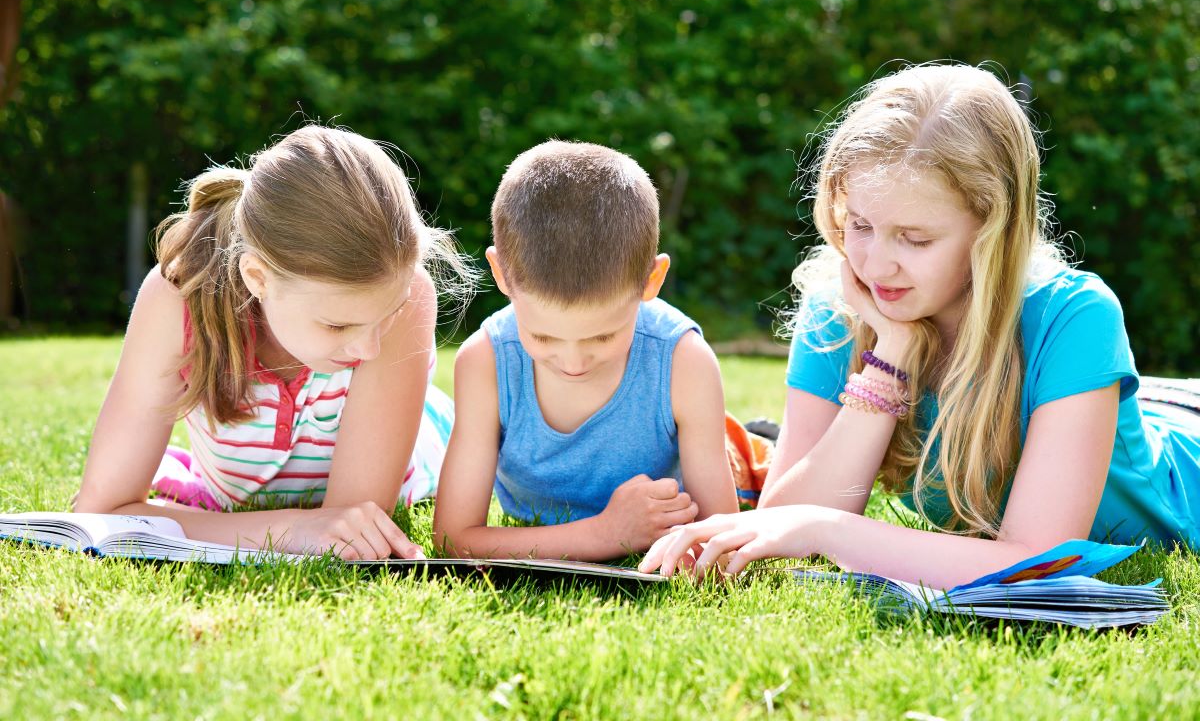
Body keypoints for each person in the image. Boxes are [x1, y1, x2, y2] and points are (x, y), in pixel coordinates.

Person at [641, 63, 1200, 588]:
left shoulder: (1076, 317)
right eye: (860, 224)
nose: (876, 265)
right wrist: (891, 358)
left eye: (916, 239)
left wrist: (826, 528)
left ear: (993, 230)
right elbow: (781, 529)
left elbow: (1035, 560)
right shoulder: (841, 308)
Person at [74, 125, 473, 561]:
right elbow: (103, 512)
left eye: (387, 316)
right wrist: (292, 527)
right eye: (338, 326)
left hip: (425, 437)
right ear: (257, 278)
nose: (369, 351)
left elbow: (353, 522)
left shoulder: (406, 291)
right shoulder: (179, 296)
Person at [433, 140, 738, 561]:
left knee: (746, 454)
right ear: (501, 274)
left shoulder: (684, 361)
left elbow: (719, 540)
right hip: (602, 524)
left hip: (726, 458)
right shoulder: (486, 362)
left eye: (603, 337)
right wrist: (603, 535)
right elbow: (453, 539)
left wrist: (697, 548)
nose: (573, 363)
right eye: (543, 338)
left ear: (652, 280)